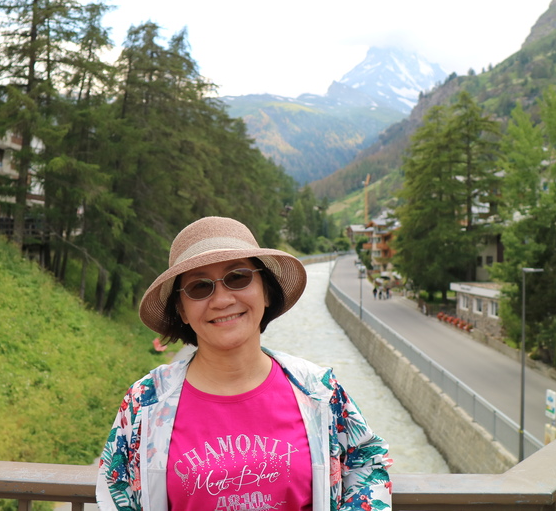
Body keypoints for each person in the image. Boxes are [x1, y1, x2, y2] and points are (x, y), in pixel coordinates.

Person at [96, 216, 392, 510]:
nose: (222, 300)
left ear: (266, 291)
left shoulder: (319, 390)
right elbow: (116, 490)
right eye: (199, 287)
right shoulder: (145, 402)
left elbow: (368, 461)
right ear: (182, 310)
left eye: (238, 277)